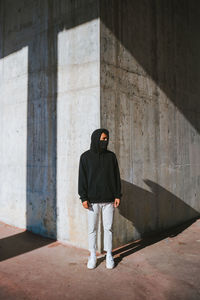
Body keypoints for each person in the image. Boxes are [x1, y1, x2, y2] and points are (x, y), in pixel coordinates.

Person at [78, 128, 122, 269]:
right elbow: (82, 179)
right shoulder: (85, 157)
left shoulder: (111, 157)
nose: (105, 141)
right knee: (92, 229)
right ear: (95, 139)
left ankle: (109, 254)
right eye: (102, 139)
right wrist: (83, 197)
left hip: (109, 200)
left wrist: (117, 195)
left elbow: (116, 177)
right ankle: (92, 255)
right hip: (91, 202)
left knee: (108, 228)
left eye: (106, 139)